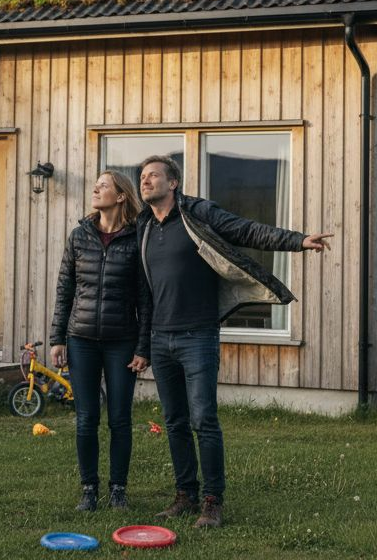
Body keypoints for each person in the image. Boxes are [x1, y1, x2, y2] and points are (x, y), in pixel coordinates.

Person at [136, 155, 331, 529]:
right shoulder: (143, 226)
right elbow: (143, 294)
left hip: (198, 335)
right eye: (142, 176)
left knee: (203, 419)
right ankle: (184, 495)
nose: (146, 181)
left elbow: (245, 230)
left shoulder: (197, 213)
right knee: (174, 421)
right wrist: (143, 345)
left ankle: (212, 502)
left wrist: (298, 240)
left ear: (172, 183)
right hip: (161, 338)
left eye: (154, 176)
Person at [50, 170, 152, 511]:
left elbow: (145, 299)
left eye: (103, 185)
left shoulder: (137, 238)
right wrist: (57, 338)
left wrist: (143, 347)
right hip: (80, 339)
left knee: (120, 418)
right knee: (86, 417)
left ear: (121, 196)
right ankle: (89, 490)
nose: (95, 189)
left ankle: (118, 489)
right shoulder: (79, 236)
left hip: (122, 341)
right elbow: (65, 290)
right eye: (95, 184)